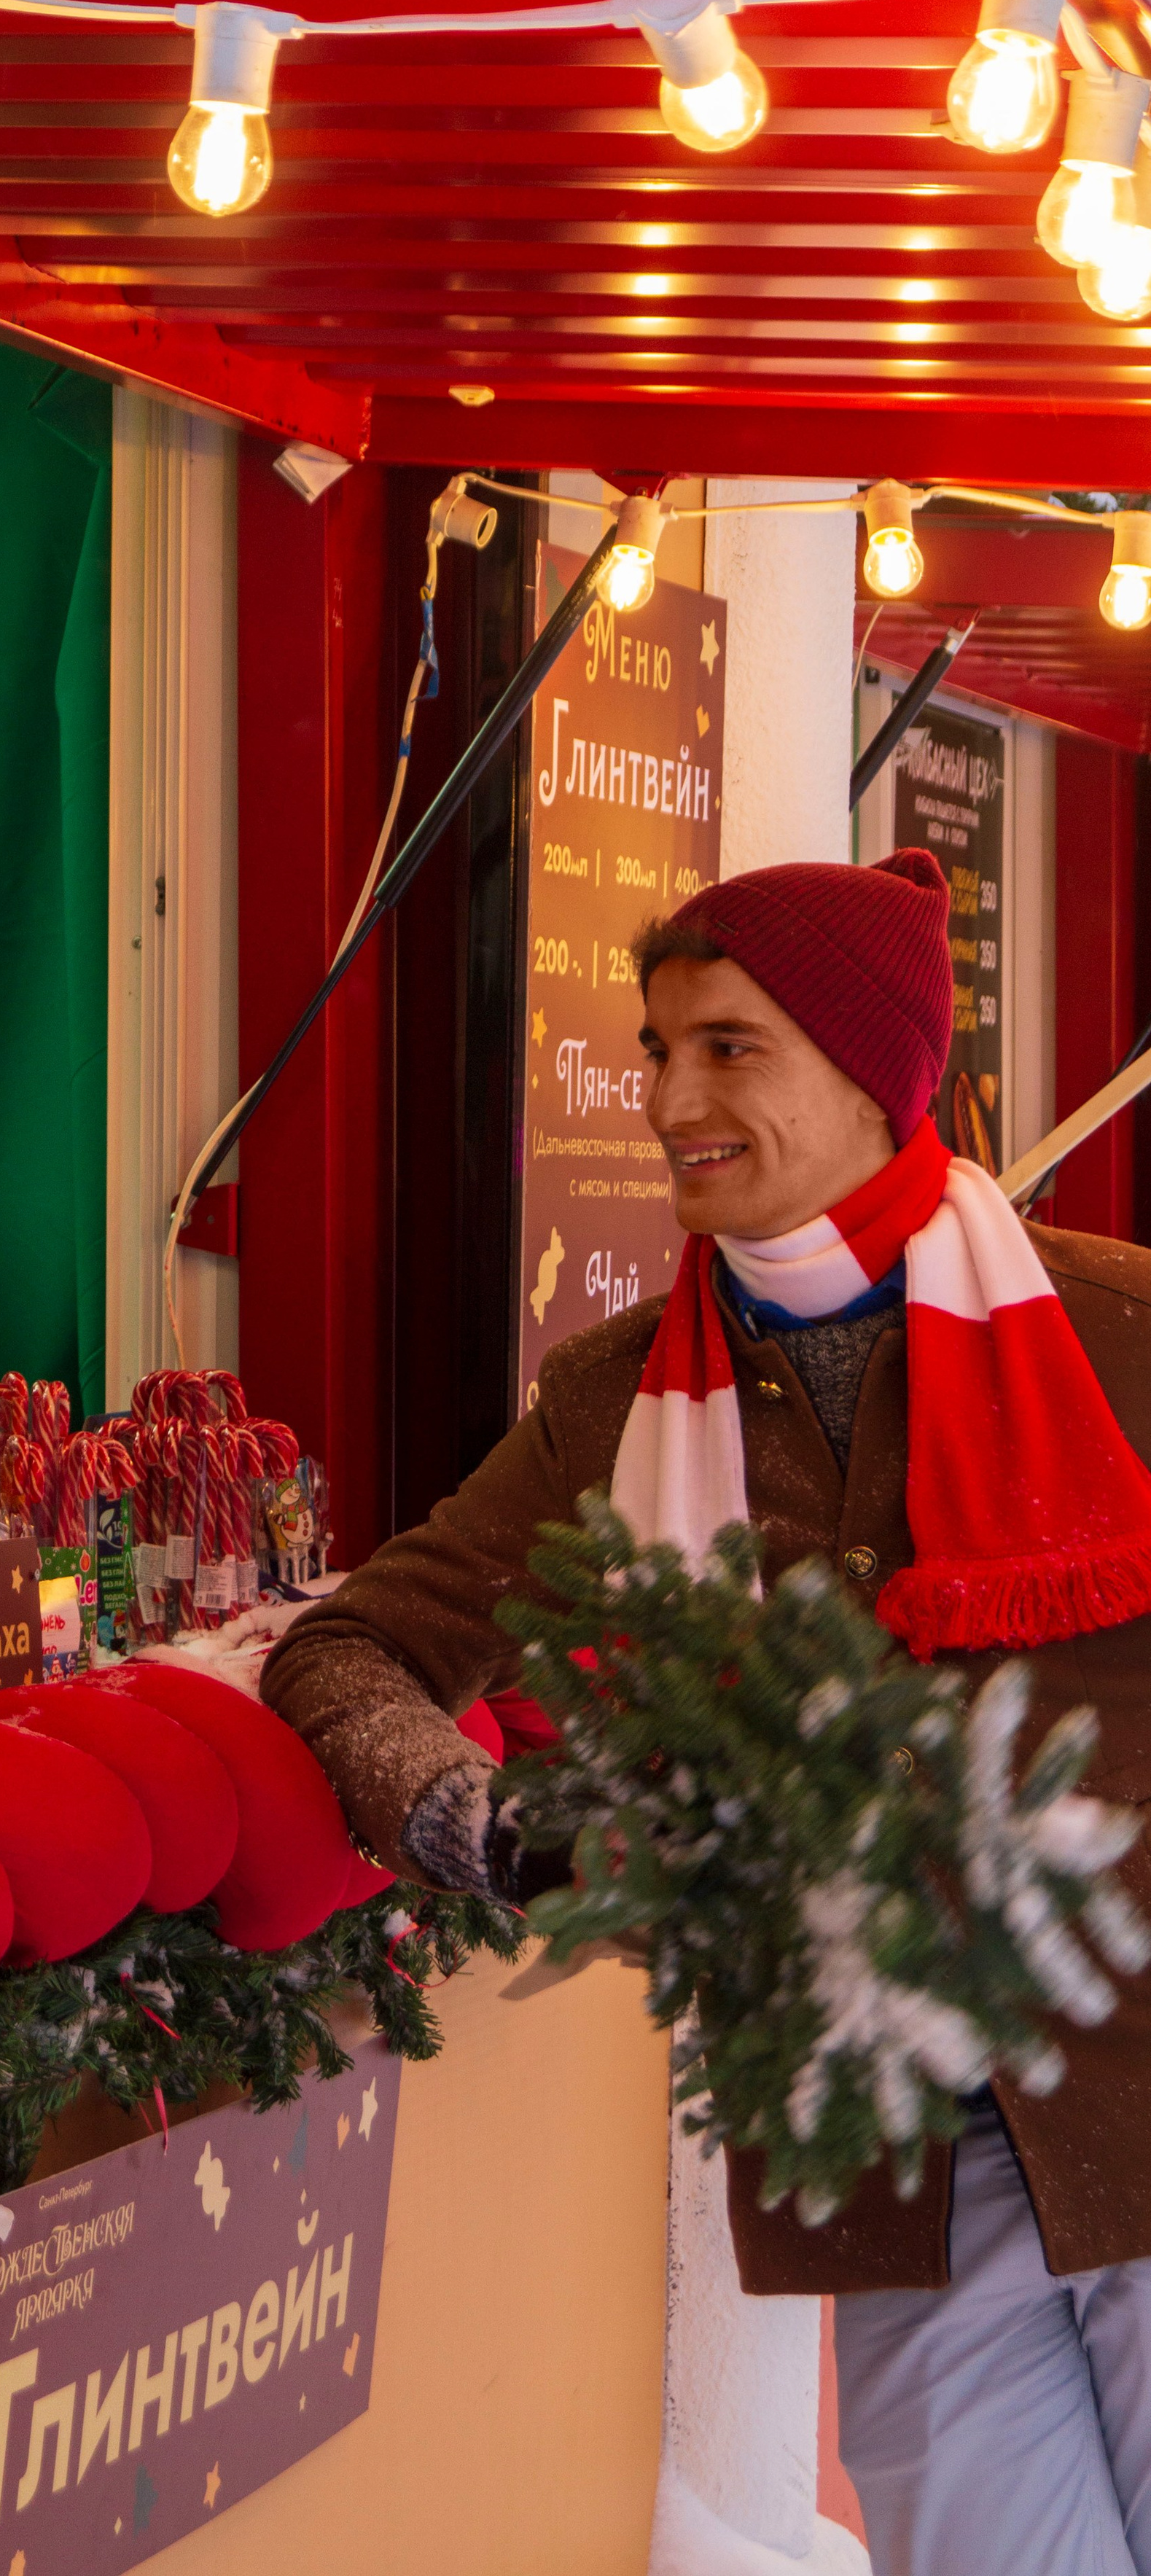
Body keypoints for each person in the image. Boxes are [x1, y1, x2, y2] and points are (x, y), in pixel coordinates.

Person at [261, 847, 1151, 2576]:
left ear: (873, 1067)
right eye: (655, 1047)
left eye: (728, 1048)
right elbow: (347, 1651)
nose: (668, 1096)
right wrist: (490, 1826)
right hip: (889, 2145)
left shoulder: (1117, 1336)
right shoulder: (613, 1408)